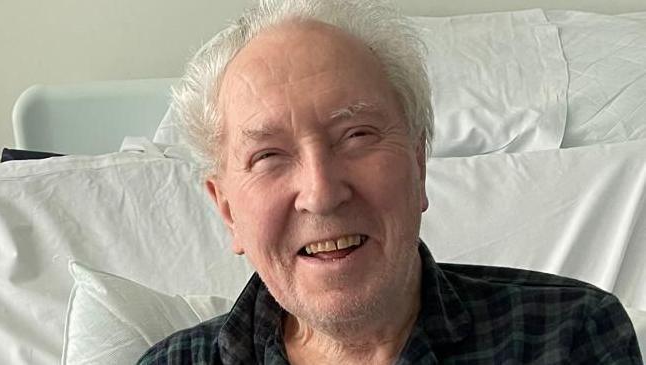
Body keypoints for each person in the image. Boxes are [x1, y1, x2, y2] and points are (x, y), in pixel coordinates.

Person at [138, 1, 642, 364]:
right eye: (269, 155)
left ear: (418, 164)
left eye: (356, 135)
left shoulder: (568, 335)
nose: (321, 191)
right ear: (227, 211)